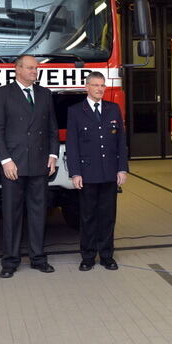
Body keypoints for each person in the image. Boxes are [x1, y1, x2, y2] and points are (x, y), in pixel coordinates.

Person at [0, 55, 59, 278]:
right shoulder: (1, 94)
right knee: (11, 214)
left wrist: (53, 154)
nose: (34, 72)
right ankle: (10, 261)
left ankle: (38, 258)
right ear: (17, 69)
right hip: (13, 165)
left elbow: (52, 128)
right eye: (29, 68)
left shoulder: (45, 94)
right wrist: (5, 160)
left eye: (36, 69)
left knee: (39, 213)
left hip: (39, 164)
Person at [65, 72, 128, 271]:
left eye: (102, 85)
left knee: (108, 216)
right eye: (95, 85)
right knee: (88, 216)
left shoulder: (113, 109)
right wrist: (75, 173)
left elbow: (120, 142)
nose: (100, 89)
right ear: (87, 87)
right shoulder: (75, 111)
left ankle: (107, 255)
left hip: (109, 172)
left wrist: (122, 168)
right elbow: (72, 144)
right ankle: (88, 256)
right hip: (88, 173)